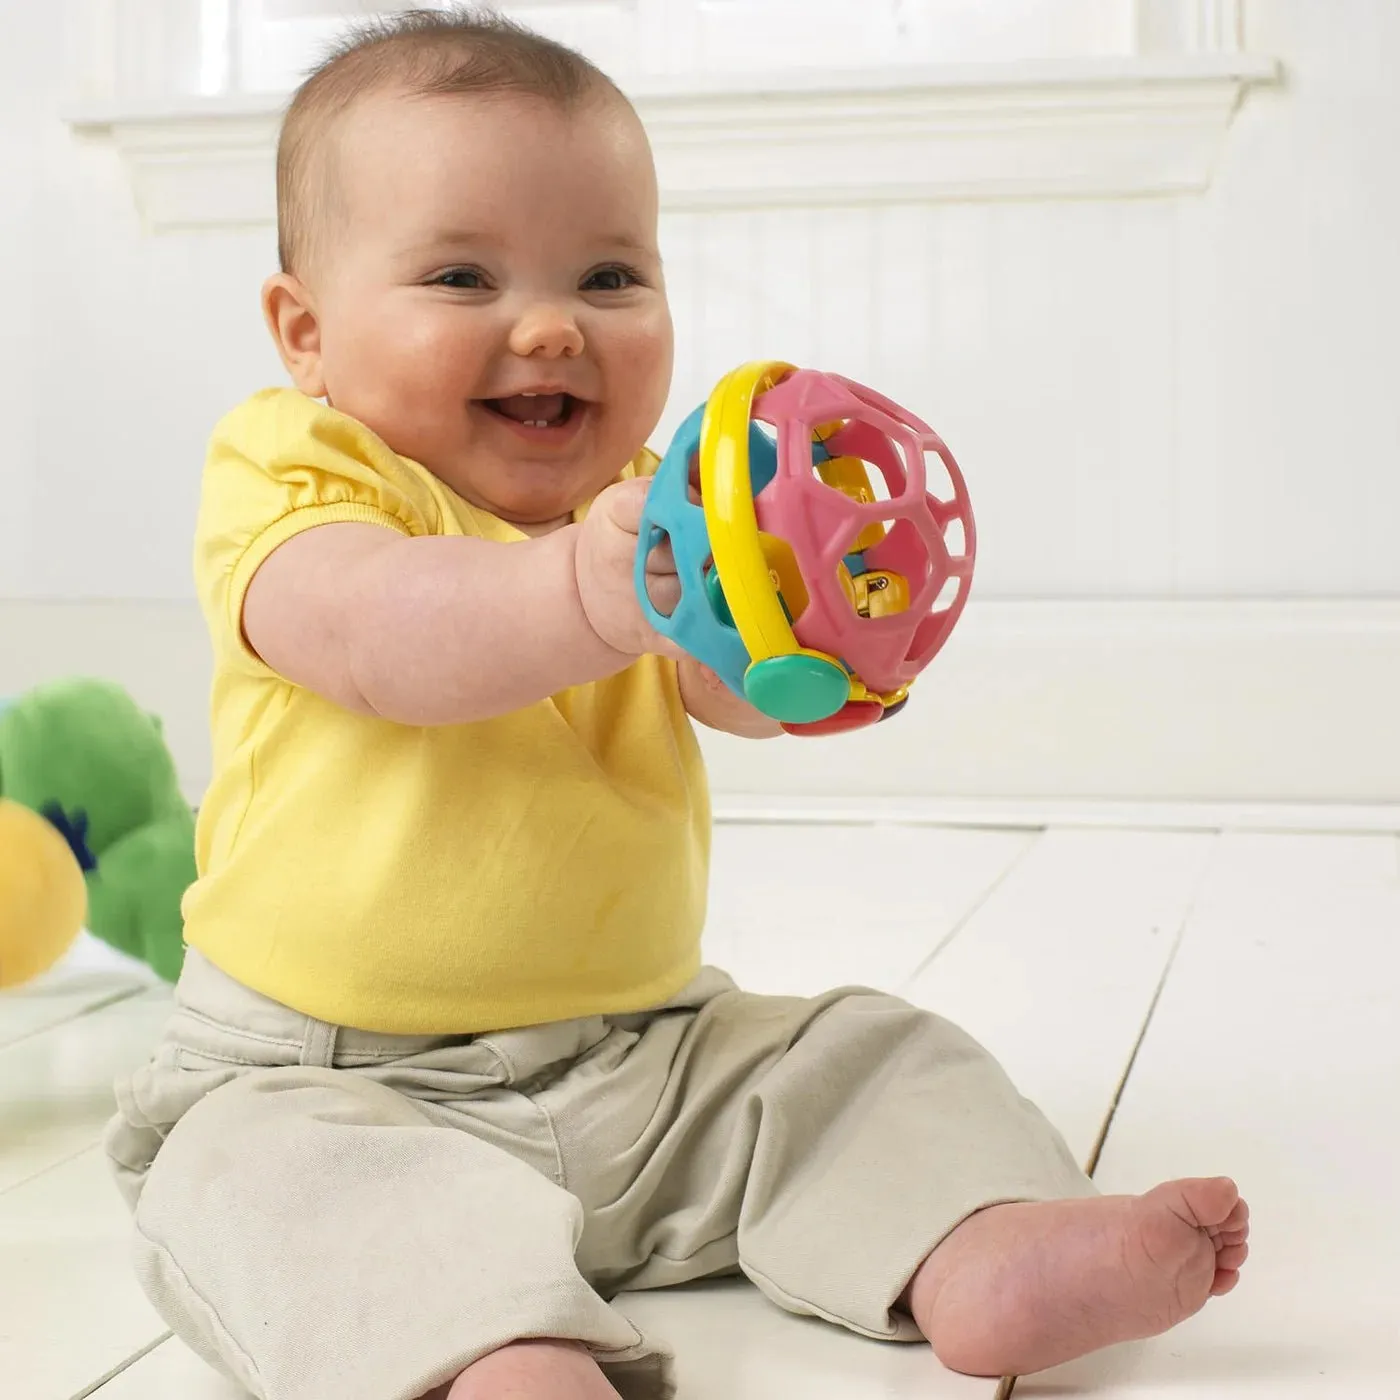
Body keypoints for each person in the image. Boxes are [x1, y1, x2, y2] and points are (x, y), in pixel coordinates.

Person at [104, 10, 1249, 1400]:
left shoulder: (651, 501)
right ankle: (497, 1352)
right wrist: (588, 597)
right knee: (283, 1197)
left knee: (860, 1057)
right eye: (462, 275)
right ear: (308, 331)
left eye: (609, 274)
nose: (550, 325)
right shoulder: (297, 474)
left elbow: (713, 681)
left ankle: (976, 1243)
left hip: (638, 1051)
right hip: (329, 1077)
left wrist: (807, 662)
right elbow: (377, 637)